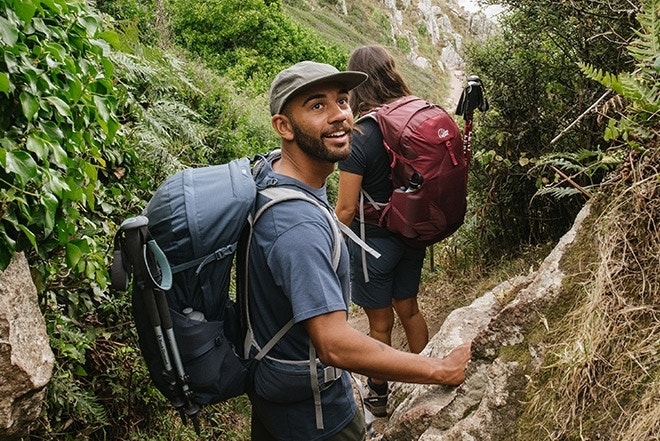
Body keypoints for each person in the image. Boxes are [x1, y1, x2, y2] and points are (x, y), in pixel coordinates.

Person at [247, 60, 471, 441]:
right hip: (316, 417)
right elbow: (334, 344)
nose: (339, 116)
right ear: (283, 126)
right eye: (317, 106)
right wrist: (441, 370)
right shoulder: (299, 226)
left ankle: (383, 390)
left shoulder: (272, 175)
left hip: (285, 398)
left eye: (343, 101)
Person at [334, 45, 430, 418]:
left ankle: (379, 395)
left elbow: (344, 208)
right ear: (391, 73)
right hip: (412, 235)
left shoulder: (361, 134)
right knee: (409, 308)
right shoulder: (410, 120)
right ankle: (426, 376)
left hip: (373, 244)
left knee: (379, 326)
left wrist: (326, 245)